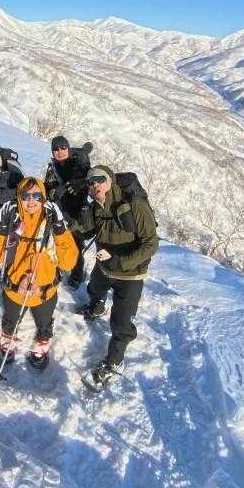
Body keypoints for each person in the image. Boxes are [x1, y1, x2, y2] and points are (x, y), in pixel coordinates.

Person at [0, 176, 79, 369]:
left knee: (44, 324)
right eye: (26, 196)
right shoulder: (12, 222)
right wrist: (1, 229)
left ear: (43, 198)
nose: (31, 200)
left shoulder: (52, 223)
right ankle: (7, 345)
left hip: (44, 292)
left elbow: (68, 263)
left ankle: (41, 347)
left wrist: (60, 228)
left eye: (37, 195)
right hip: (14, 291)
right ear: (19, 198)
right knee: (10, 322)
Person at [81, 164, 159, 385]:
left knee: (121, 323)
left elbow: (151, 244)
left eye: (100, 179)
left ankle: (114, 362)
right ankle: (96, 306)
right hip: (104, 268)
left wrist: (122, 262)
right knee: (94, 288)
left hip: (130, 275)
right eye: (91, 182)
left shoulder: (135, 205)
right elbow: (87, 231)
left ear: (111, 182)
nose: (95, 185)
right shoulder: (95, 206)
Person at [43, 133, 93, 289]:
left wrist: (79, 183)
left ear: (68, 148)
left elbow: (93, 179)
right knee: (57, 242)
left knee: (76, 245)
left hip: (77, 212)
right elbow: (47, 186)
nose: (60, 151)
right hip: (59, 211)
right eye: (56, 149)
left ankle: (77, 275)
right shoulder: (53, 167)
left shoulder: (79, 163)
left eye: (63, 147)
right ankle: (56, 269)